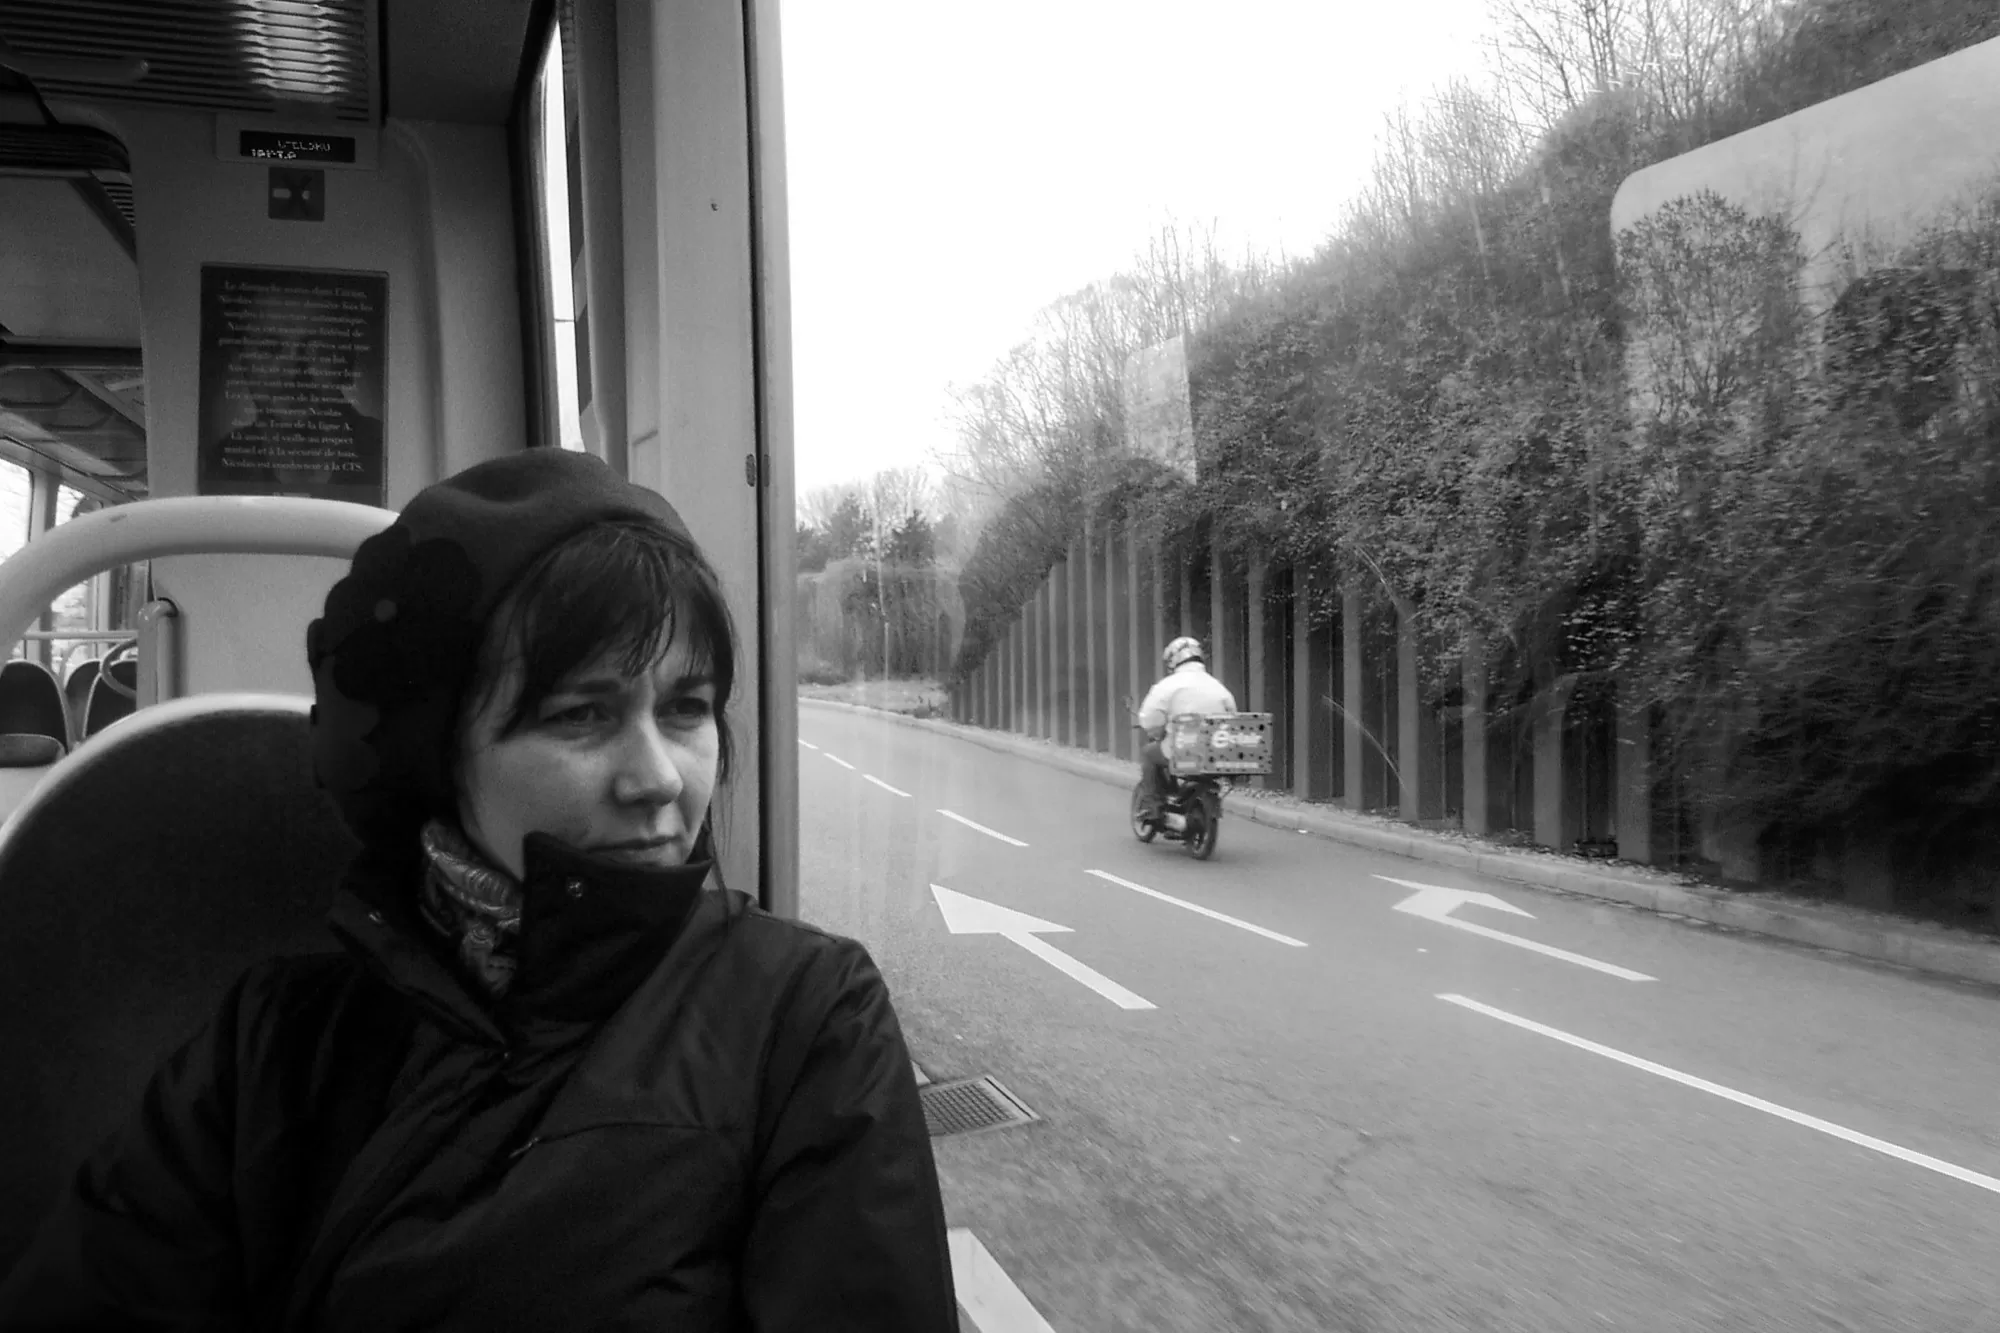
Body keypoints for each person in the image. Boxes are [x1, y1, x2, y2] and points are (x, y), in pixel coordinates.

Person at [0, 449, 958, 1330]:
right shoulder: (276, 1048)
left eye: (686, 709)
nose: (661, 777)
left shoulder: (806, 1022)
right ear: (437, 756)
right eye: (583, 715)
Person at [1134, 635, 1237, 823]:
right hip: (1218, 752)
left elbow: (1149, 719)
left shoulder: (1167, 685)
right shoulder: (1218, 686)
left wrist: (1154, 727)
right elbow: (1233, 716)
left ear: (1174, 660)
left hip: (1182, 751)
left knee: (1149, 754)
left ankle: (1152, 806)